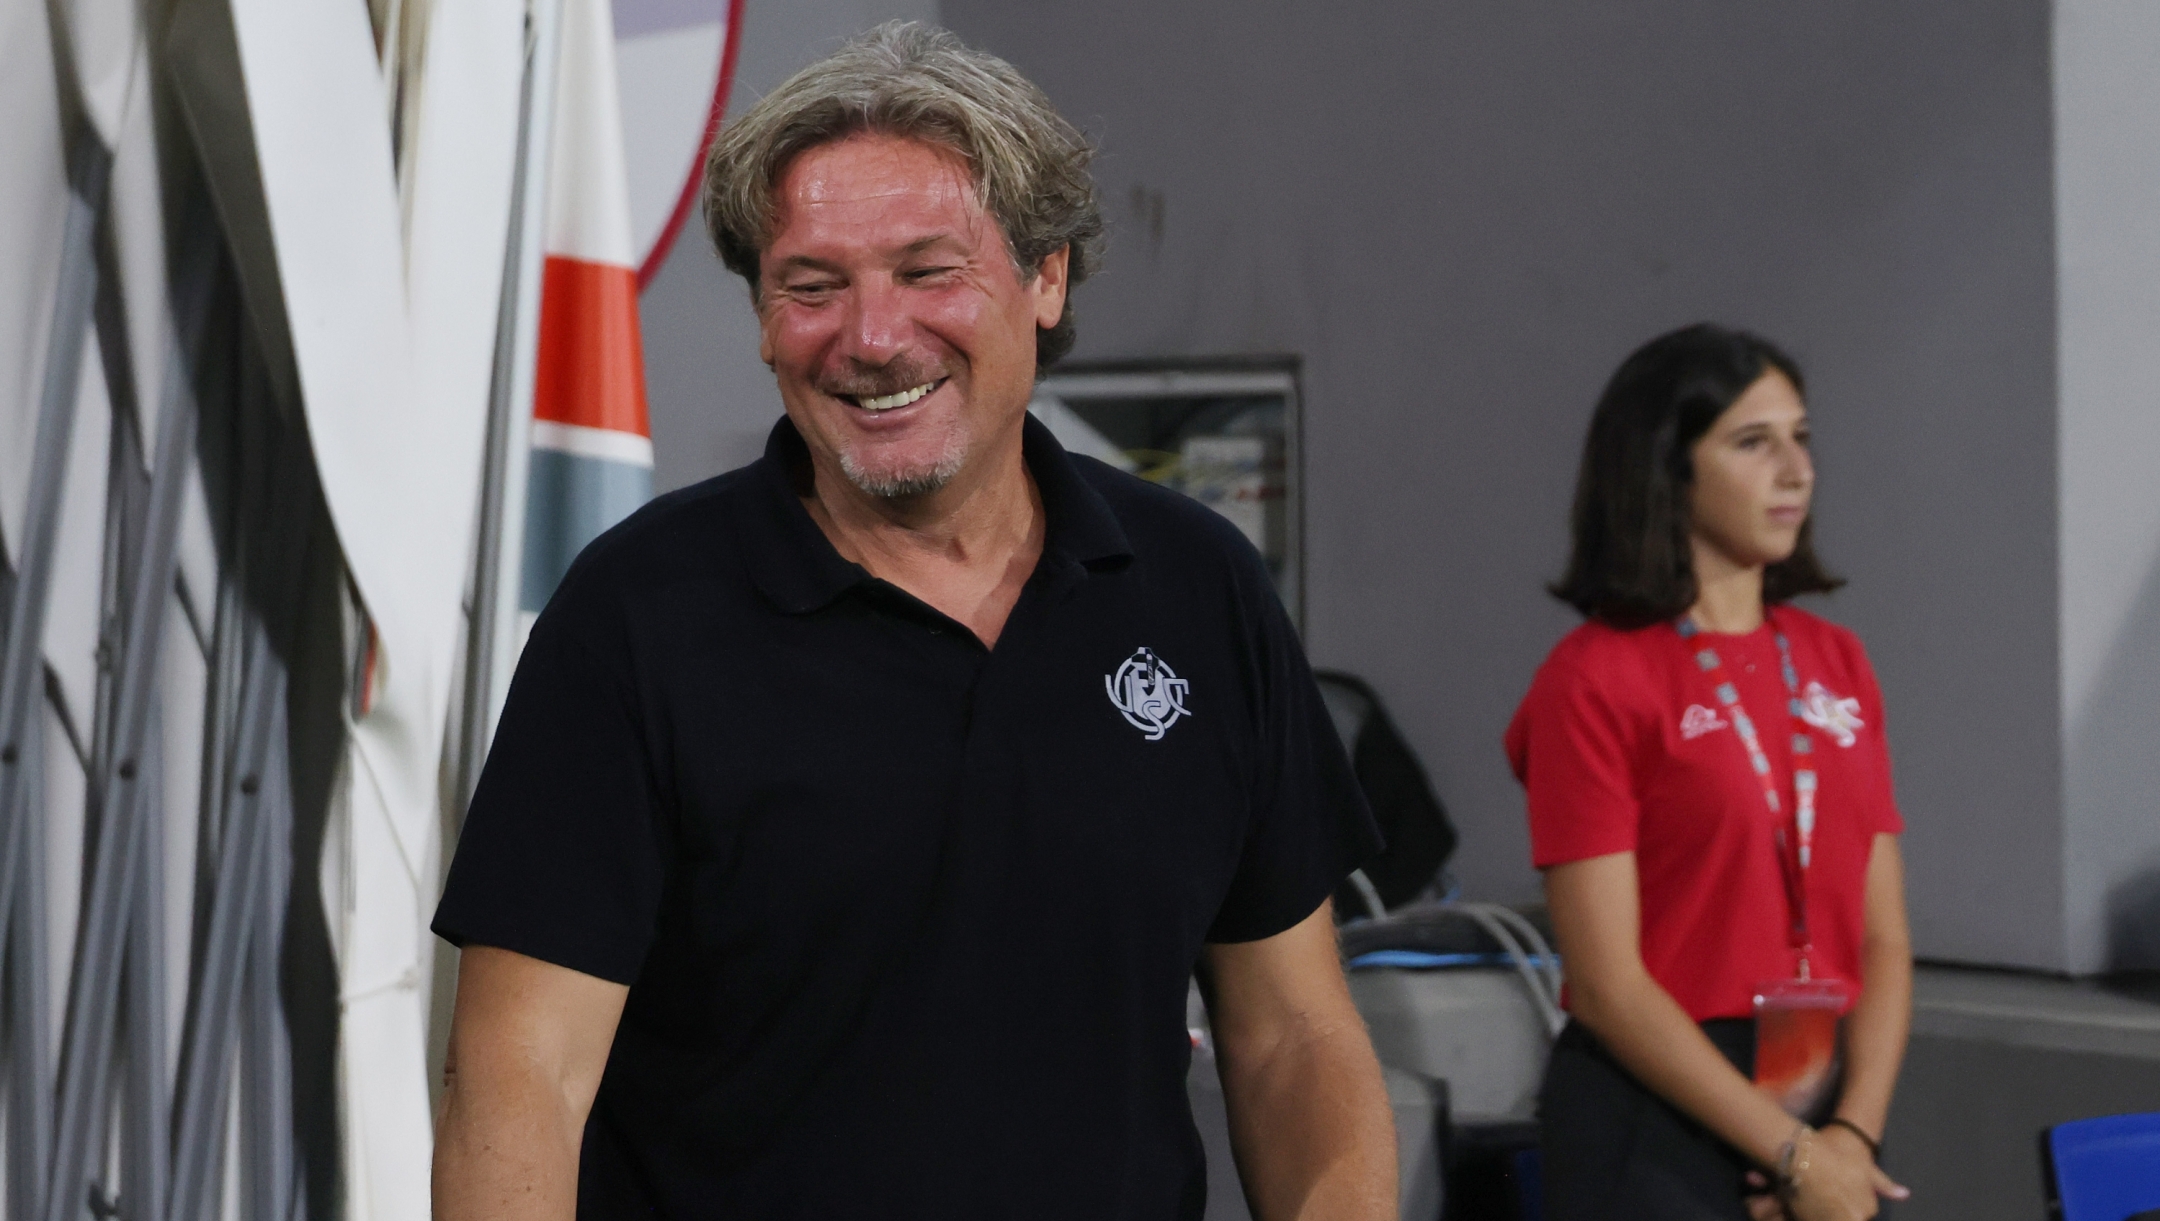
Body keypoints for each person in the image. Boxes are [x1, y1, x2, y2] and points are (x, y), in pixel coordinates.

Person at [429, 22, 1395, 1221]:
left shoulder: (1196, 587)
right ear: (763, 317)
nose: (872, 338)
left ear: (1046, 280)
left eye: (929, 271)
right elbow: (524, 1078)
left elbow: (1293, 1036)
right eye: (812, 286)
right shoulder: (637, 615)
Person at [1505, 324, 1914, 1221]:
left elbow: (1883, 939)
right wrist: (1792, 1150)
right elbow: (1608, 984)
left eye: (1802, 438)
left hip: (1823, 1087)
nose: (1796, 470)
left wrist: (1850, 1137)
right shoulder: (1595, 678)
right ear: (1666, 469)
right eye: (1752, 442)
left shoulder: (1835, 660)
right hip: (1658, 1107)